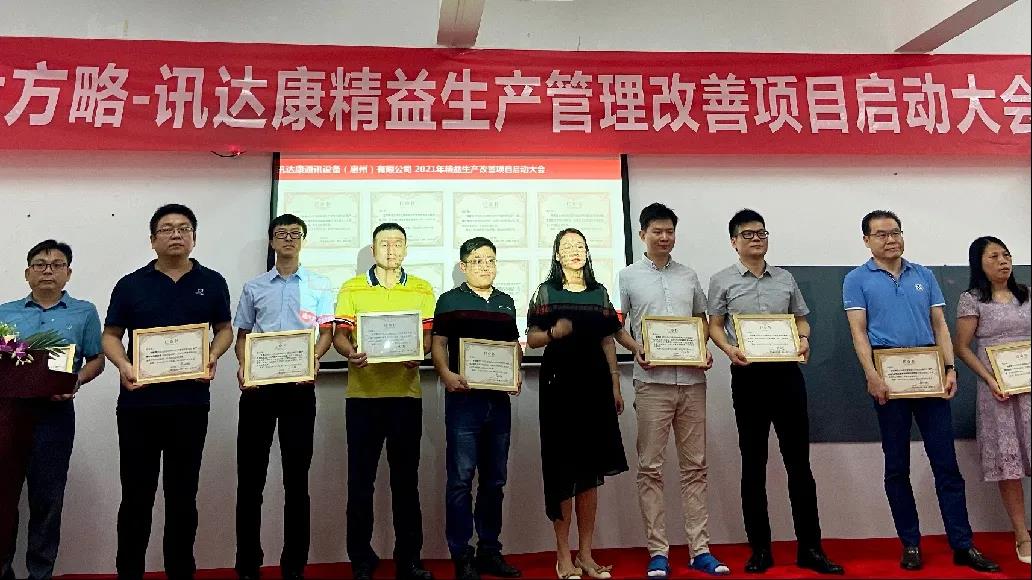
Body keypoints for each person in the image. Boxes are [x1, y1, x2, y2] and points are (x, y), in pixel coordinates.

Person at [843, 210, 999, 573]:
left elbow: (940, 325)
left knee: (946, 463)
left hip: (930, 374)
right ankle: (910, 543)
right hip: (888, 375)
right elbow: (858, 332)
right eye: (881, 234)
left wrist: (949, 368)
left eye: (895, 232)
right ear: (866, 240)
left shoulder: (923, 275)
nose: (891, 239)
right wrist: (871, 375)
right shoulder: (856, 279)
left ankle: (962, 544)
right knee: (897, 465)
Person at [102, 204, 234, 580]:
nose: (176, 234)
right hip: (138, 406)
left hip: (190, 404)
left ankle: (180, 571)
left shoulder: (213, 281)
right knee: (136, 496)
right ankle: (129, 573)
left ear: (194, 237)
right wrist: (124, 365)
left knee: (182, 496)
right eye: (167, 228)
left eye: (184, 228)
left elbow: (225, 329)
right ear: (152, 240)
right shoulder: (130, 284)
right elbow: (110, 336)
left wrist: (212, 355)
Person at [708, 209, 843, 575]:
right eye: (748, 234)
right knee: (753, 464)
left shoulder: (785, 279)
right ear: (734, 241)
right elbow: (714, 325)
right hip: (748, 377)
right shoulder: (721, 280)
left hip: (786, 375)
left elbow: (801, 319)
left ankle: (810, 548)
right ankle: (760, 550)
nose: (756, 239)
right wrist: (728, 349)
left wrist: (804, 339)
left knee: (799, 463)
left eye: (761, 233)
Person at [614, 204, 728, 577]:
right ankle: (658, 551)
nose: (664, 238)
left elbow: (700, 321)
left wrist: (703, 350)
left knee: (696, 467)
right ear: (642, 234)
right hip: (651, 384)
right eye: (657, 231)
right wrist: (636, 348)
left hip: (692, 382)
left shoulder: (688, 275)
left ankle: (700, 550)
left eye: (670, 232)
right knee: (650, 468)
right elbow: (616, 326)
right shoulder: (627, 276)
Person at [233, 215, 336, 580]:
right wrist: (244, 366)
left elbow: (326, 332)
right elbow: (243, 335)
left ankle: (294, 563)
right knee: (250, 481)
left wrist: (315, 357)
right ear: (271, 241)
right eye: (281, 234)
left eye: (295, 234)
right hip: (259, 391)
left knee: (297, 480)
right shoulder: (254, 287)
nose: (288, 239)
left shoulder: (320, 285)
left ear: (303, 240)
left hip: (298, 391)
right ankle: (248, 563)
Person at [333, 223, 436, 580]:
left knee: (406, 481)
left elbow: (427, 337)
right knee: (360, 482)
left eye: (397, 243)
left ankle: (409, 559)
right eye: (384, 243)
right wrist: (350, 353)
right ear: (373, 249)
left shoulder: (422, 288)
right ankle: (361, 558)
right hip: (363, 397)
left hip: (405, 397)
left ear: (405, 249)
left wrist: (419, 352)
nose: (391, 249)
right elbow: (340, 335)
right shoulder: (352, 287)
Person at [526, 228, 628, 580]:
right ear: (557, 255)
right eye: (567, 246)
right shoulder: (546, 291)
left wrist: (615, 384)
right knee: (562, 472)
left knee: (589, 473)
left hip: (595, 387)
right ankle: (563, 556)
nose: (574, 251)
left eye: (580, 245)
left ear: (587, 252)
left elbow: (608, 340)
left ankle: (585, 553)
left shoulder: (599, 293)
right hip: (559, 387)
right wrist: (552, 333)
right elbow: (532, 339)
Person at [0, 240, 104, 580]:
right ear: (27, 273)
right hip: (9, 413)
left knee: (48, 498)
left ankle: (40, 574)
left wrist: (76, 381)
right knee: (3, 496)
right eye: (40, 264)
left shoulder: (84, 312)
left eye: (57, 264)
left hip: (55, 415)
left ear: (68, 273)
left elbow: (96, 359)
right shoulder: (4, 313)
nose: (48, 270)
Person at [431, 237, 523, 580]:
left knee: (494, 480)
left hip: (498, 402)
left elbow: (513, 346)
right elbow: (438, 343)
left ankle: (489, 551)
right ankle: (461, 554)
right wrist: (445, 373)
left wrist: (515, 373)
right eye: (477, 260)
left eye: (490, 260)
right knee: (461, 480)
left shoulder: (505, 302)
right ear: (463, 266)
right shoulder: (449, 300)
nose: (485, 266)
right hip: (463, 401)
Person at [952, 235, 1030, 565]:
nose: (1003, 261)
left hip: (1029, 387)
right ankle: (1022, 535)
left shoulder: (1027, 294)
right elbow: (961, 347)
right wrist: (989, 378)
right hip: (998, 392)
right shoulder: (972, 300)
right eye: (994, 256)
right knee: (1010, 467)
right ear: (979, 264)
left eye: (1006, 255)